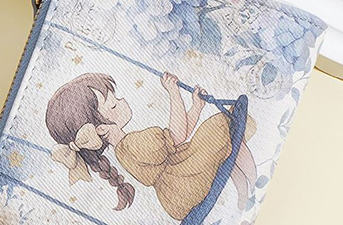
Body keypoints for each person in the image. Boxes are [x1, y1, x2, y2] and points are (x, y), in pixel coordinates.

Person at [45, 71, 256, 216]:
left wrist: (196, 107)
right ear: (100, 129)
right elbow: (178, 135)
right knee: (221, 126)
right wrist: (173, 93)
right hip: (185, 183)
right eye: (113, 105)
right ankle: (255, 181)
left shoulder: (124, 149)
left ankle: (243, 193)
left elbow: (177, 139)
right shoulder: (132, 144)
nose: (122, 101)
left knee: (220, 147)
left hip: (177, 191)